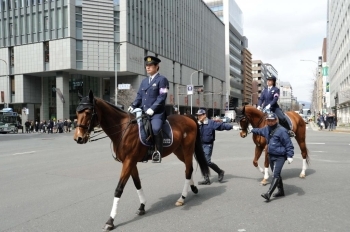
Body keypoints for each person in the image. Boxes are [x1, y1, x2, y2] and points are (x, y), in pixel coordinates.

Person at [128, 56, 169, 163]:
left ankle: (158, 152)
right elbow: (139, 97)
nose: (148, 67)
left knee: (155, 128)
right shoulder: (144, 81)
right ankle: (143, 151)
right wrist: (133, 105)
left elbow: (162, 97)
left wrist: (153, 109)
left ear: (157, 67)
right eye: (147, 65)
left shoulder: (162, 80)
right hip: (143, 112)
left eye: (150, 65)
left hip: (157, 113)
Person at [250, 112, 294, 202]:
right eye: (268, 120)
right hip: (271, 155)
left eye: (272, 120)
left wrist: (290, 155)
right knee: (276, 174)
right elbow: (259, 131)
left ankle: (268, 193)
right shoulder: (266, 129)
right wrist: (251, 130)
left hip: (280, 156)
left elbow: (288, 143)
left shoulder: (282, 130)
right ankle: (281, 191)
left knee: (275, 174)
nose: (270, 122)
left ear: (276, 120)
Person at [196, 109, 233, 185]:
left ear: (204, 115)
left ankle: (220, 172)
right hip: (200, 145)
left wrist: (232, 127)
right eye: (198, 115)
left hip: (208, 144)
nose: (198, 117)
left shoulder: (211, 123)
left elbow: (222, 126)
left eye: (200, 115)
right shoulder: (198, 124)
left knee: (207, 161)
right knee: (202, 162)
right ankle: (206, 179)